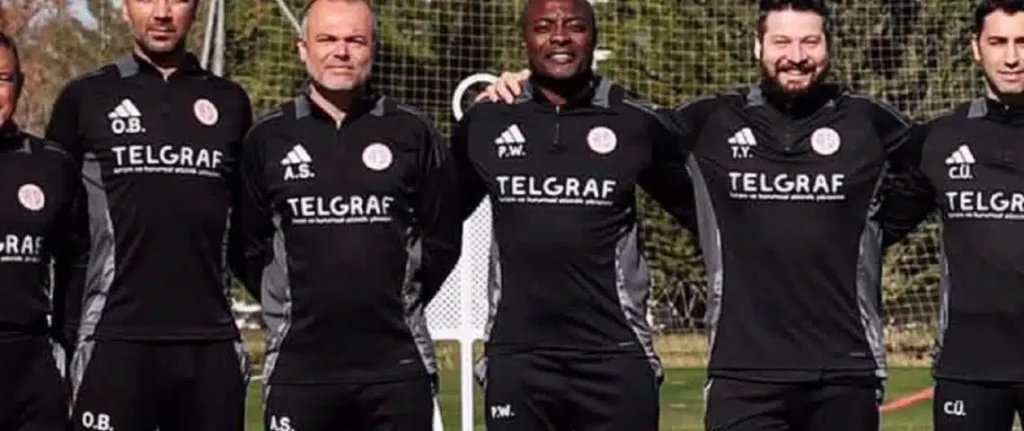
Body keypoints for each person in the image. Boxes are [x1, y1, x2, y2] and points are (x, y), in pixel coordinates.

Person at [482, 0, 916, 429]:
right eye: (782, 42)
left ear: (828, 46)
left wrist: (867, 231)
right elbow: (618, 122)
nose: (796, 56)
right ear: (758, 46)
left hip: (846, 369)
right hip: (741, 373)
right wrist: (534, 87)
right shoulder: (712, 119)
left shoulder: (869, 121)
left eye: (810, 42)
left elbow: (936, 165)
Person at [453, 0, 695, 429]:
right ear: (525, 39)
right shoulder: (487, 120)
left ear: (594, 37)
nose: (560, 36)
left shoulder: (635, 121)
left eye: (575, 26)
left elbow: (708, 214)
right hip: (519, 359)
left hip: (614, 356)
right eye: (544, 26)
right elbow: (435, 223)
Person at [230, 0, 462, 429]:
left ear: (373, 47)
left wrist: (396, 297)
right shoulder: (267, 138)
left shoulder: (412, 131)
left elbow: (443, 237)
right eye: (327, 39)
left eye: (355, 40)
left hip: (397, 367)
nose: (341, 51)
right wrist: (292, 304)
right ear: (303, 48)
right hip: (300, 369)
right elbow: (246, 244)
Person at [45, 0, 254, 429]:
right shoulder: (85, 98)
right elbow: (58, 233)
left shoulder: (231, 102)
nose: (161, 12)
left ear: (196, 8)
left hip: (209, 342)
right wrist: (63, 335)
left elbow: (249, 230)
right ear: (125, 8)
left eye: (176, 0)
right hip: (111, 338)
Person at [880, 1, 1024, 429]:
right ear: (976, 48)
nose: (1012, 57)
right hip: (969, 366)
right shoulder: (940, 139)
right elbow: (875, 227)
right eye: (998, 42)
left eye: (1023, 42)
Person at [0, 31, 88, 431]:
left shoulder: (51, 165)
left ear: (20, 84)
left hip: (30, 368)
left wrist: (67, 340)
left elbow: (79, 259)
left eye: (3, 79)